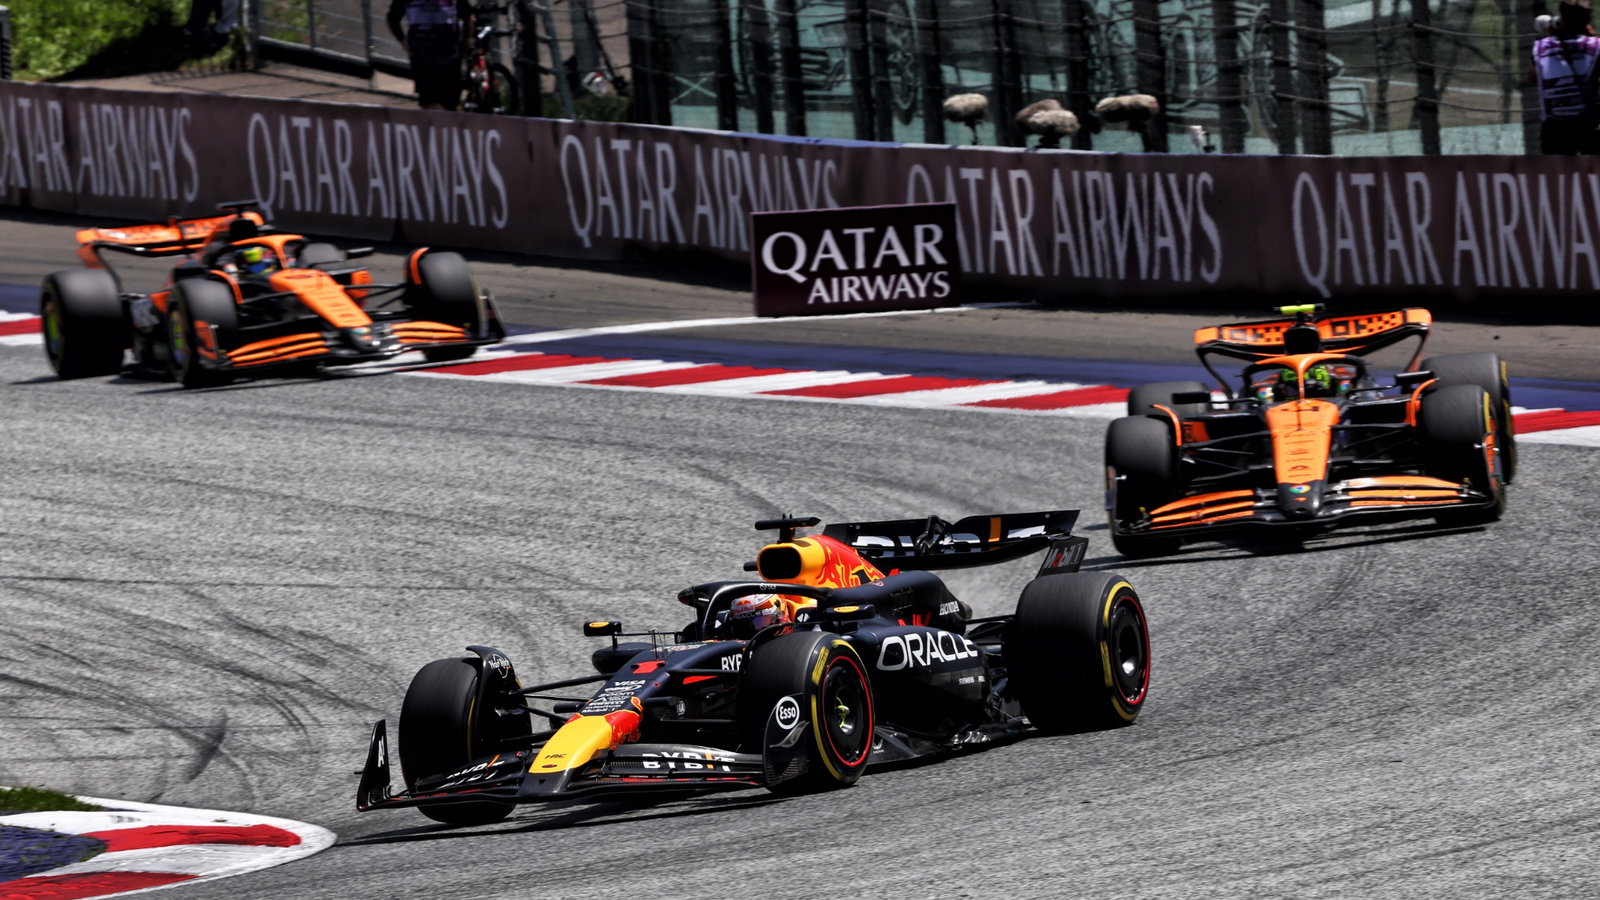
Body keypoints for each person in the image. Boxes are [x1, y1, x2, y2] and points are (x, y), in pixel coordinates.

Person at [1532, 0, 1600, 155]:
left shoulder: (1541, 47)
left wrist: (1554, 35)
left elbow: (1532, 75)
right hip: (1587, 124)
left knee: (1557, 176)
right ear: (1587, 20)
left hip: (1554, 128)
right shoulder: (1595, 46)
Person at [387, 0, 473, 111]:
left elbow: (467, 15)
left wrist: (465, 42)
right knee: (429, 101)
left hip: (449, 54)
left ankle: (445, 123)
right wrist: (404, 42)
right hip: (422, 55)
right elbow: (393, 18)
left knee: (449, 102)